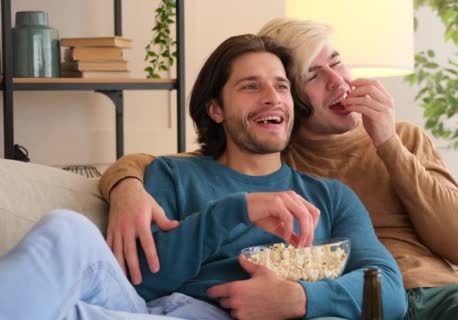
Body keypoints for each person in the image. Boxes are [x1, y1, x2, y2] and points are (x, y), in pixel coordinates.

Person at [101, 18, 458, 320]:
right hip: (363, 301)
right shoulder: (281, 156)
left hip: (441, 294)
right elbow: (204, 167)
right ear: (298, 102)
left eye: (337, 63)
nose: (339, 83)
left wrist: (387, 142)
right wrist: (125, 182)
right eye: (314, 76)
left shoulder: (400, 138)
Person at [0, 34, 407, 320]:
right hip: (142, 308)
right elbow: (145, 280)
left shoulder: (331, 197)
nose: (271, 96)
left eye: (281, 86)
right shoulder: (172, 174)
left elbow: (389, 292)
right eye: (251, 86)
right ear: (215, 109)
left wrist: (299, 298)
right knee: (66, 230)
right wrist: (234, 211)